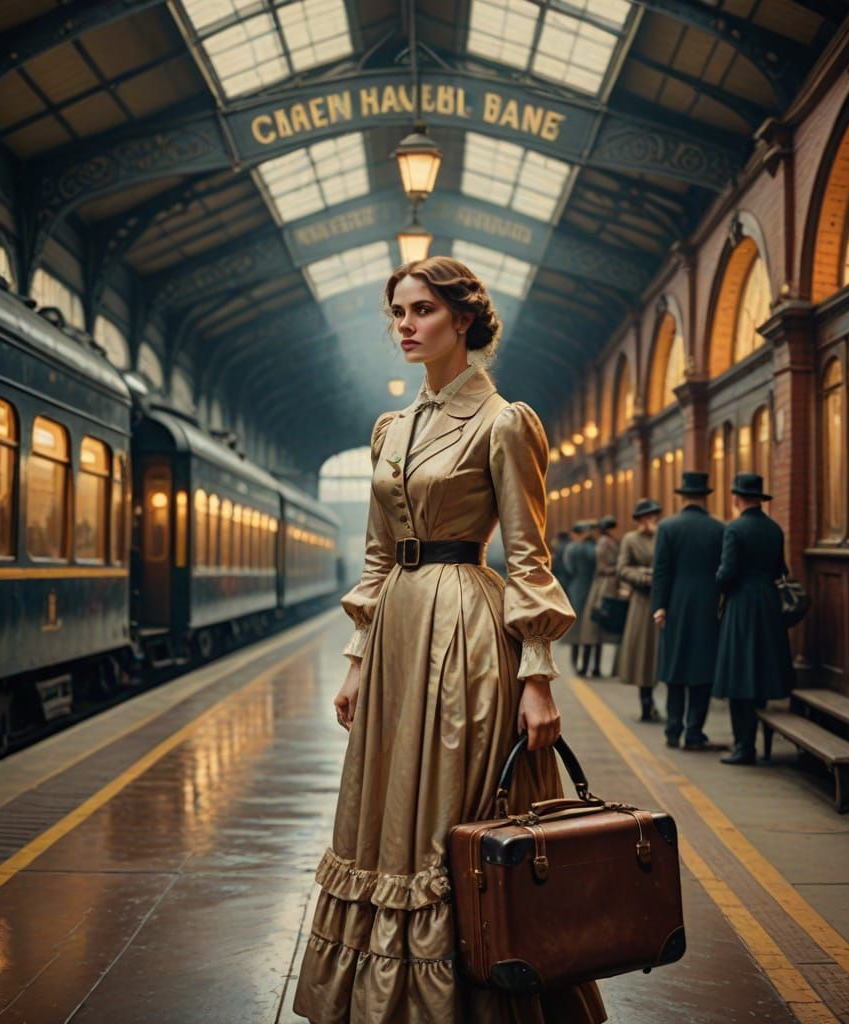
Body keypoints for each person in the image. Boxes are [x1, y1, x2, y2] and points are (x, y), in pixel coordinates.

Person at [293, 257, 605, 1023]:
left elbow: (529, 556)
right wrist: (356, 661)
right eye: (398, 312)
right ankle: (389, 997)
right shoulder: (390, 429)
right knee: (386, 816)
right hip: (396, 637)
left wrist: (538, 678)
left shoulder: (504, 422)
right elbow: (377, 555)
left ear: (463, 320)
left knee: (450, 815)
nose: (405, 325)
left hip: (465, 630)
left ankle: (470, 991)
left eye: (422, 310)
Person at [713, 473, 795, 765]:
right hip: (768, 606)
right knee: (759, 672)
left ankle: (744, 746)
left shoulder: (734, 529)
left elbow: (727, 573)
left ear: (737, 498)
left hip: (742, 606)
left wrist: (718, 580)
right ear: (760, 499)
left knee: (739, 675)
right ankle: (755, 741)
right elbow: (781, 569)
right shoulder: (774, 529)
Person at [652, 472, 724, 750]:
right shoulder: (719, 528)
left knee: (675, 669)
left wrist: (660, 606)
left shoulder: (667, 527)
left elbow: (661, 571)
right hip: (708, 605)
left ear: (682, 497)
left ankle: (673, 730)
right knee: (701, 671)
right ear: (705, 497)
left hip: (676, 604)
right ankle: (694, 732)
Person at [617, 498, 662, 722]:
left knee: (659, 652)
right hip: (642, 601)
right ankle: (646, 701)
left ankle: (657, 699)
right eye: (647, 516)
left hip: (662, 600)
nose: (651, 520)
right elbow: (622, 568)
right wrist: (643, 577)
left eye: (654, 516)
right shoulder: (630, 539)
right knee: (643, 651)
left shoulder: (663, 536)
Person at [580, 515, 619, 677]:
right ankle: (592, 667)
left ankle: (588, 666)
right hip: (605, 586)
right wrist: (619, 568)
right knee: (596, 627)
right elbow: (603, 566)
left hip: (600, 585)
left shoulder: (602, 542)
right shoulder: (606, 543)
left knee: (594, 629)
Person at [562, 520, 598, 675]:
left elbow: (568, 568)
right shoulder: (593, 548)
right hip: (592, 587)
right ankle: (589, 666)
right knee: (590, 628)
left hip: (576, 587)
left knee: (575, 628)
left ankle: (575, 664)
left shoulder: (571, 548)